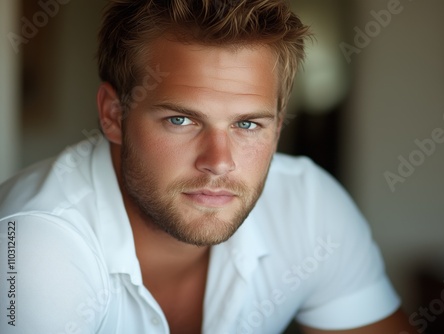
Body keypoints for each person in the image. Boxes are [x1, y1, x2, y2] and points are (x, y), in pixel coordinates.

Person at [0, 0, 417, 333]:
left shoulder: (308, 206)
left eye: (247, 124)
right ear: (113, 115)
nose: (218, 162)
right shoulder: (35, 247)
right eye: (181, 120)